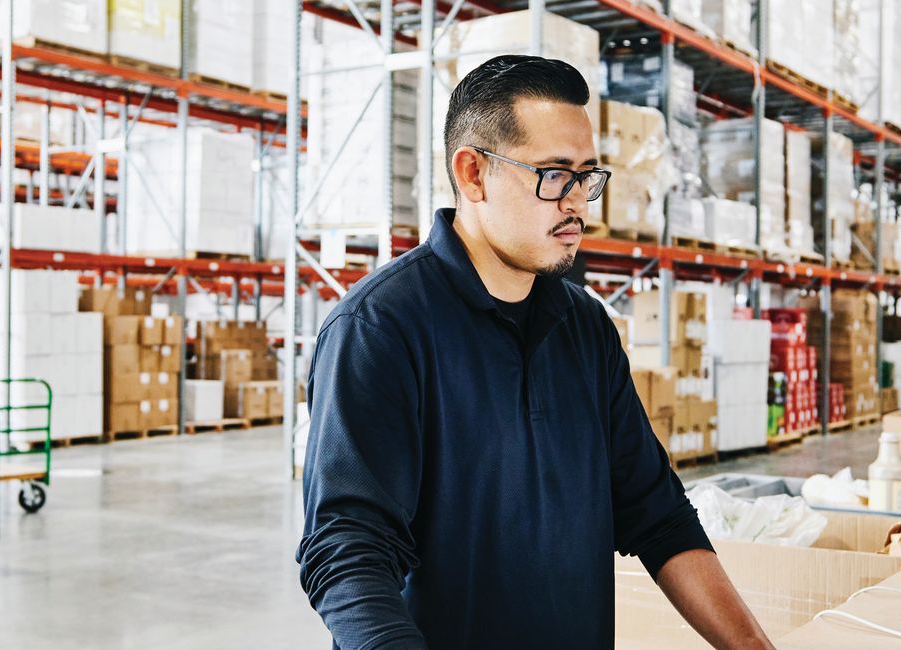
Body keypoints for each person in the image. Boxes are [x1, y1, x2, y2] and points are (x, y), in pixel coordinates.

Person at [295, 55, 773, 649]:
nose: (577, 202)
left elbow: (659, 515)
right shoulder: (380, 328)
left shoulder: (587, 327)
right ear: (472, 174)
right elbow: (349, 552)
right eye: (553, 175)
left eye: (587, 177)